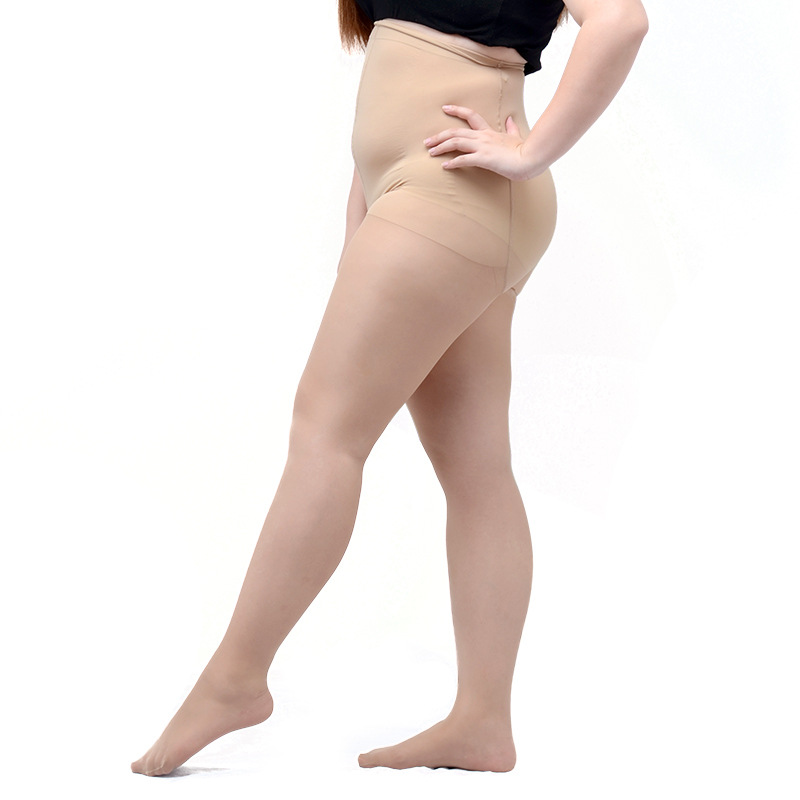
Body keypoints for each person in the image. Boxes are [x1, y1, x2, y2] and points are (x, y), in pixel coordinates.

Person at [131, 0, 648, 776]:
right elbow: (388, 80)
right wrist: (362, 224)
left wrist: (531, 151)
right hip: (430, 197)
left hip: (456, 190)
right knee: (475, 468)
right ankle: (482, 722)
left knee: (327, 433)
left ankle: (235, 679)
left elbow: (621, 21)